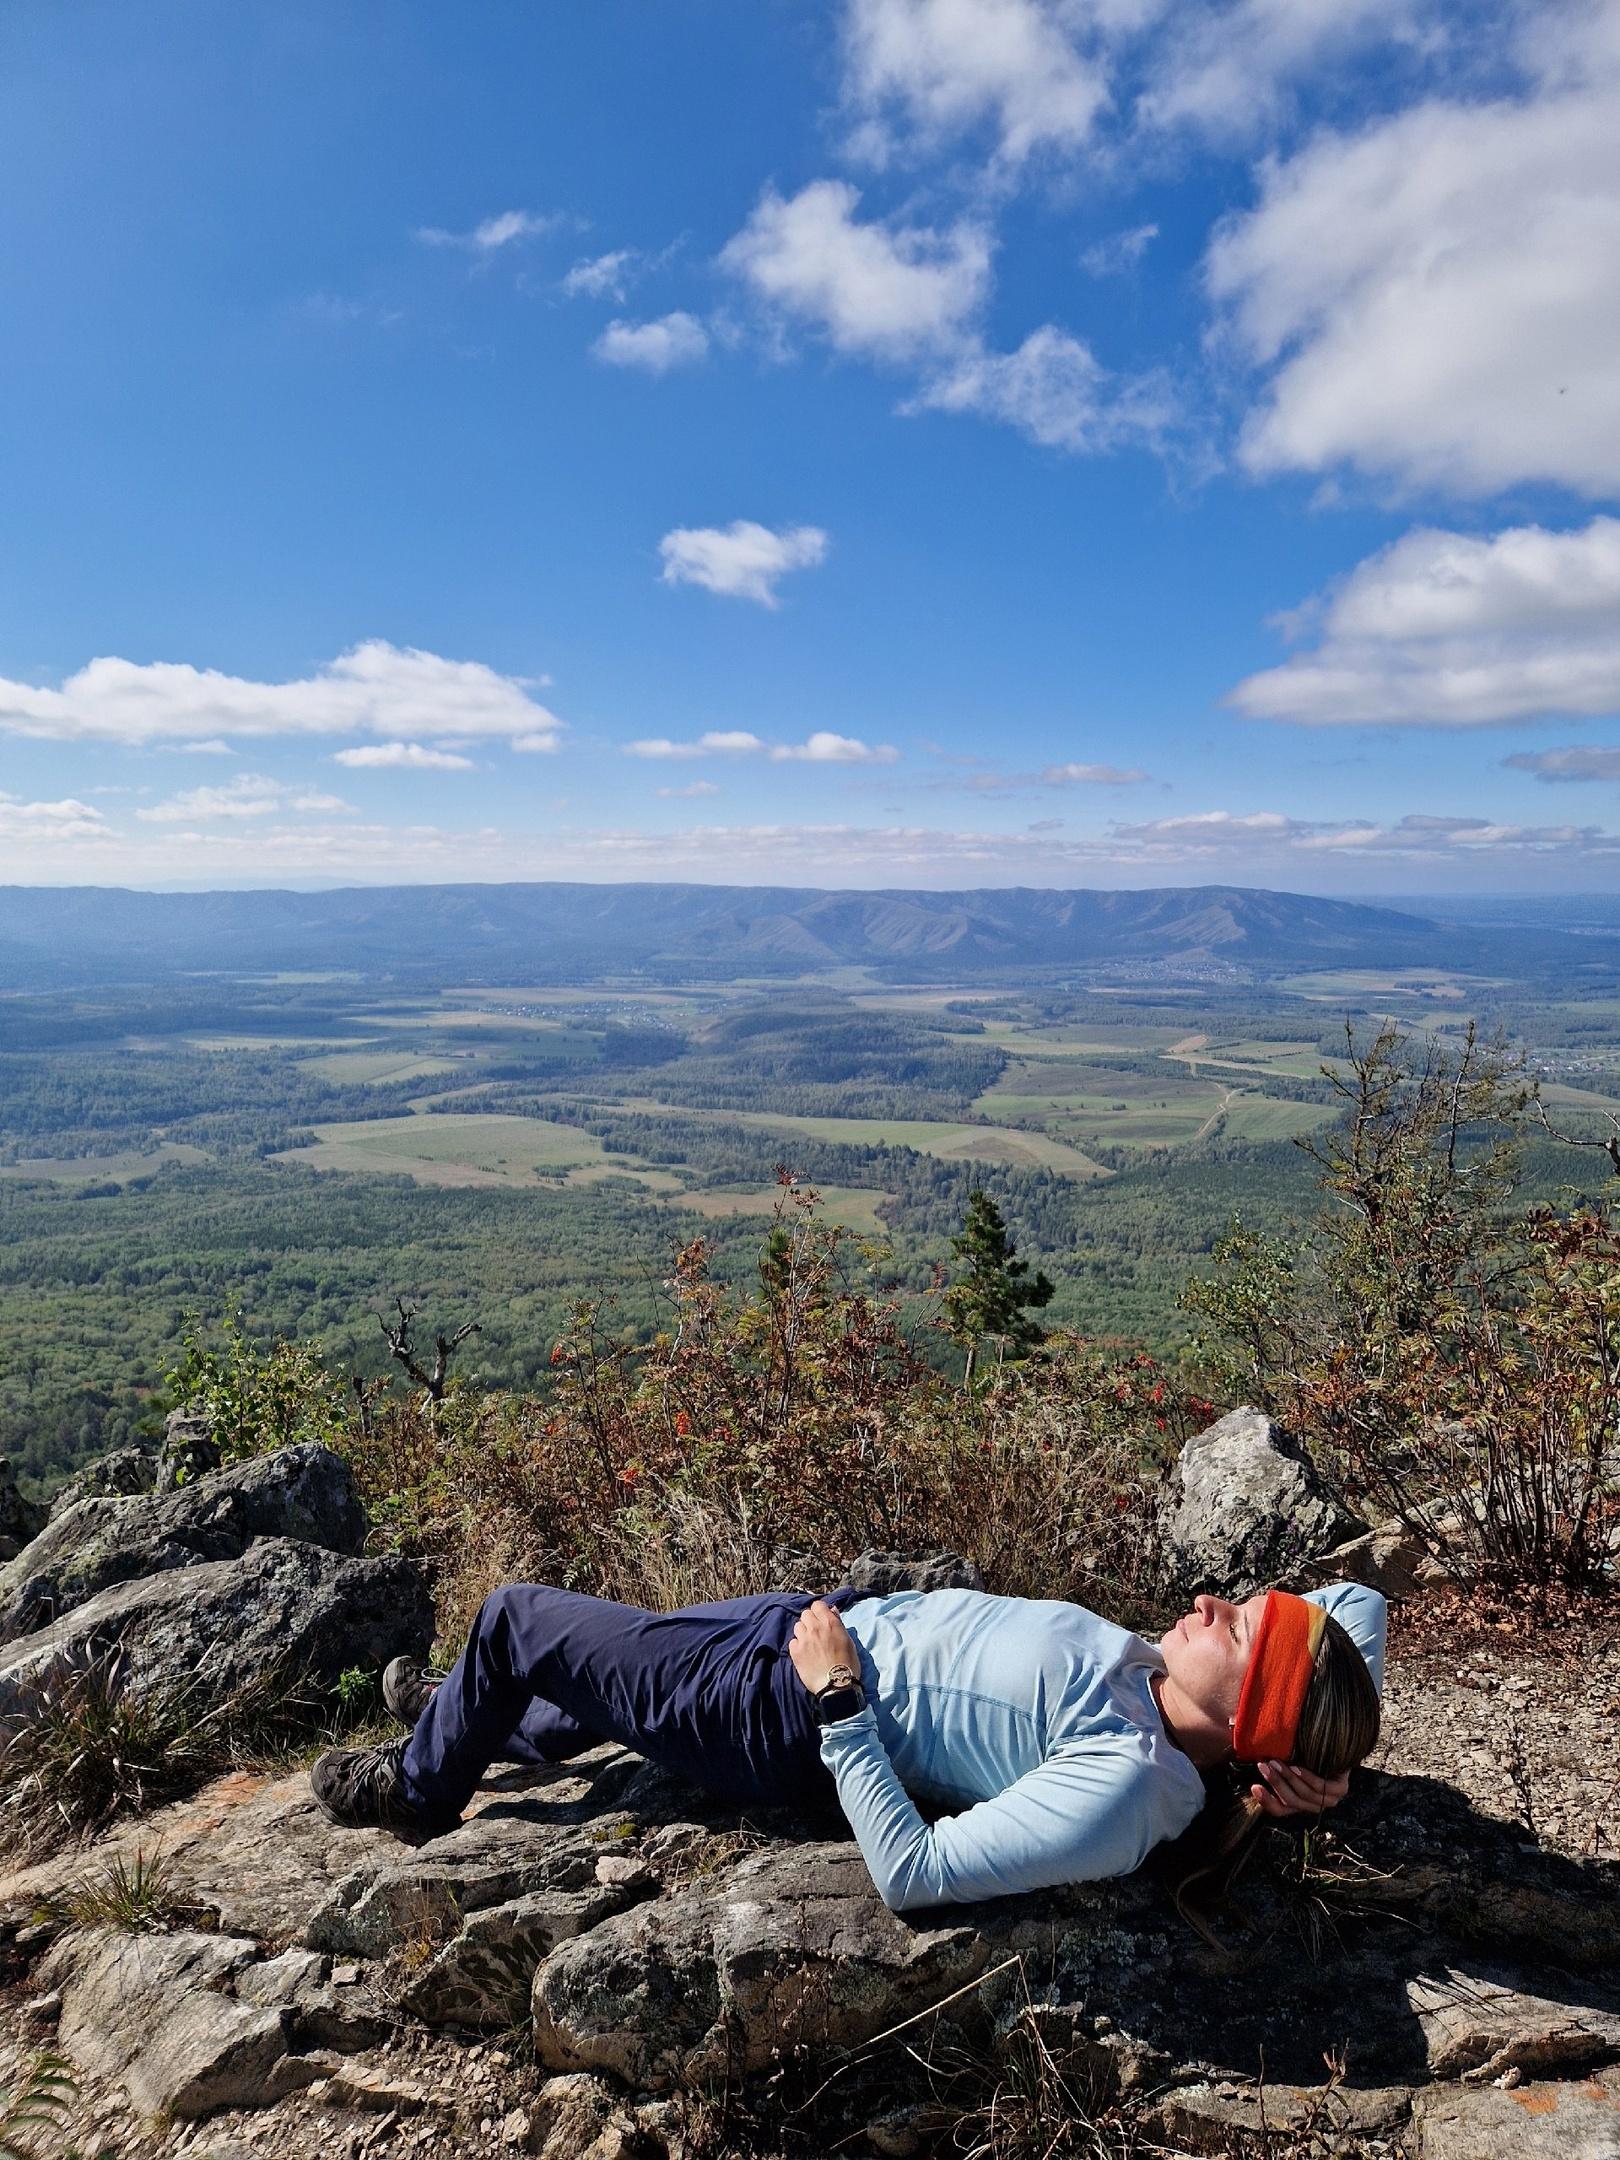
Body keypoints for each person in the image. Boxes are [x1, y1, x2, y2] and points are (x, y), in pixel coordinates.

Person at [312, 1575, 1383, 1913]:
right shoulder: (1168, 1688)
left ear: (1250, 1714)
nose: (1208, 1600)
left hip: (776, 1708)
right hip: (817, 1625)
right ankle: (472, 1711)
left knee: (512, 1616)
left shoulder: (1128, 1786)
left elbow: (916, 1876)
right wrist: (1331, 1765)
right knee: (588, 1668)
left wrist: (837, 1701)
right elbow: (1359, 1600)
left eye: (1237, 1626)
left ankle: (420, 1788)